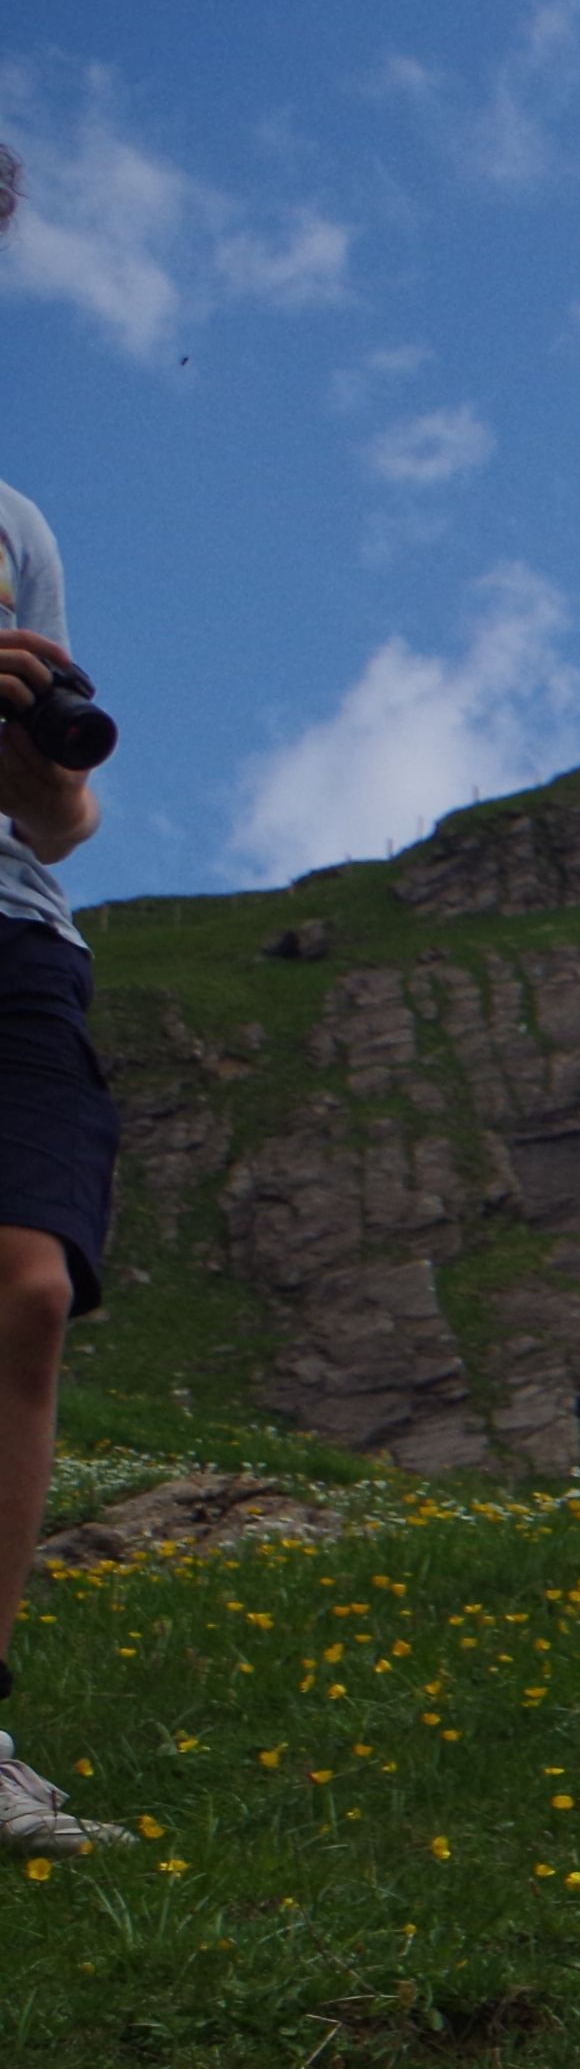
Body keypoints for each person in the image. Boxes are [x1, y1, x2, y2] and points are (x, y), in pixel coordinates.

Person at [0, 141, 126, 1859]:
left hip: (12, 931)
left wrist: (40, 775)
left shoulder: (14, 526)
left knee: (25, 1289)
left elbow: (62, 823)